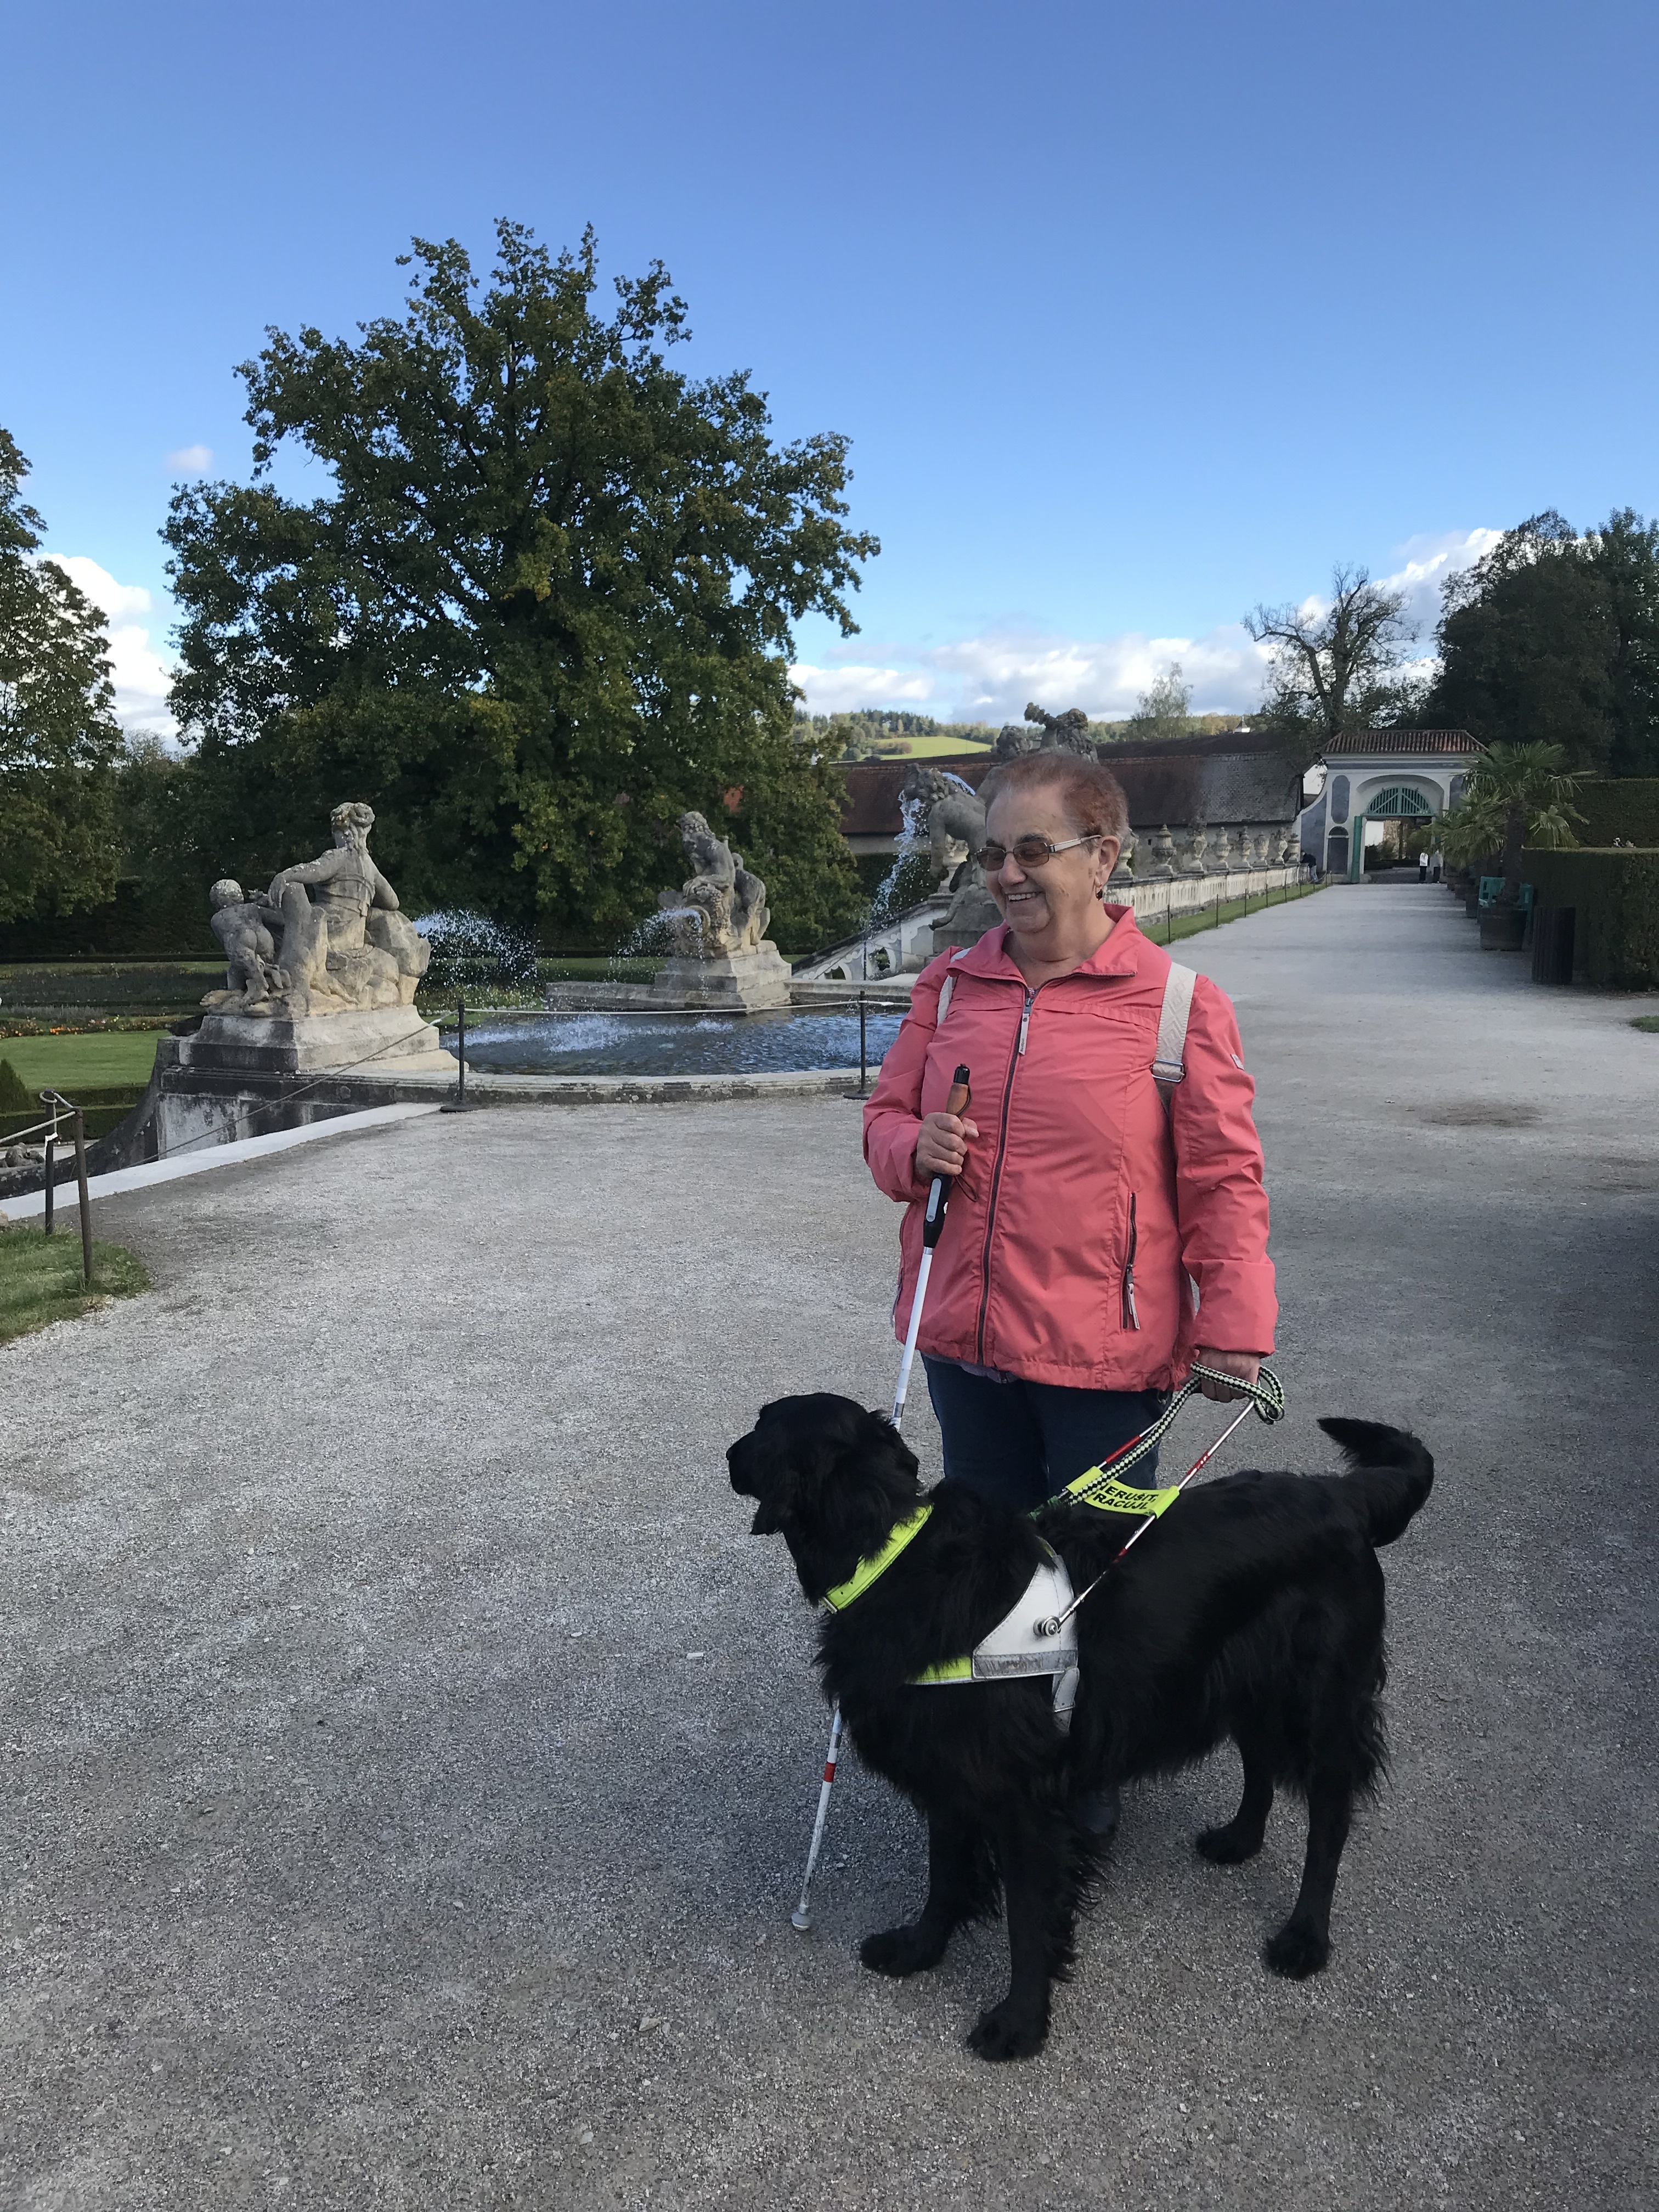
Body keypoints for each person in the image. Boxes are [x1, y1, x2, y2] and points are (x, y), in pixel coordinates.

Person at [863, 751, 1277, 1523]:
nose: (1007, 875)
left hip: (1105, 1361)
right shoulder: (949, 987)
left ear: (1102, 859)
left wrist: (1235, 1320)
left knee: (1103, 1573)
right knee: (989, 1566)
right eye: (994, 854)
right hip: (963, 1343)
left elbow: (1223, 1178)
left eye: (1032, 850)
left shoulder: (1180, 1005)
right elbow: (884, 1119)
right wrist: (912, 1148)